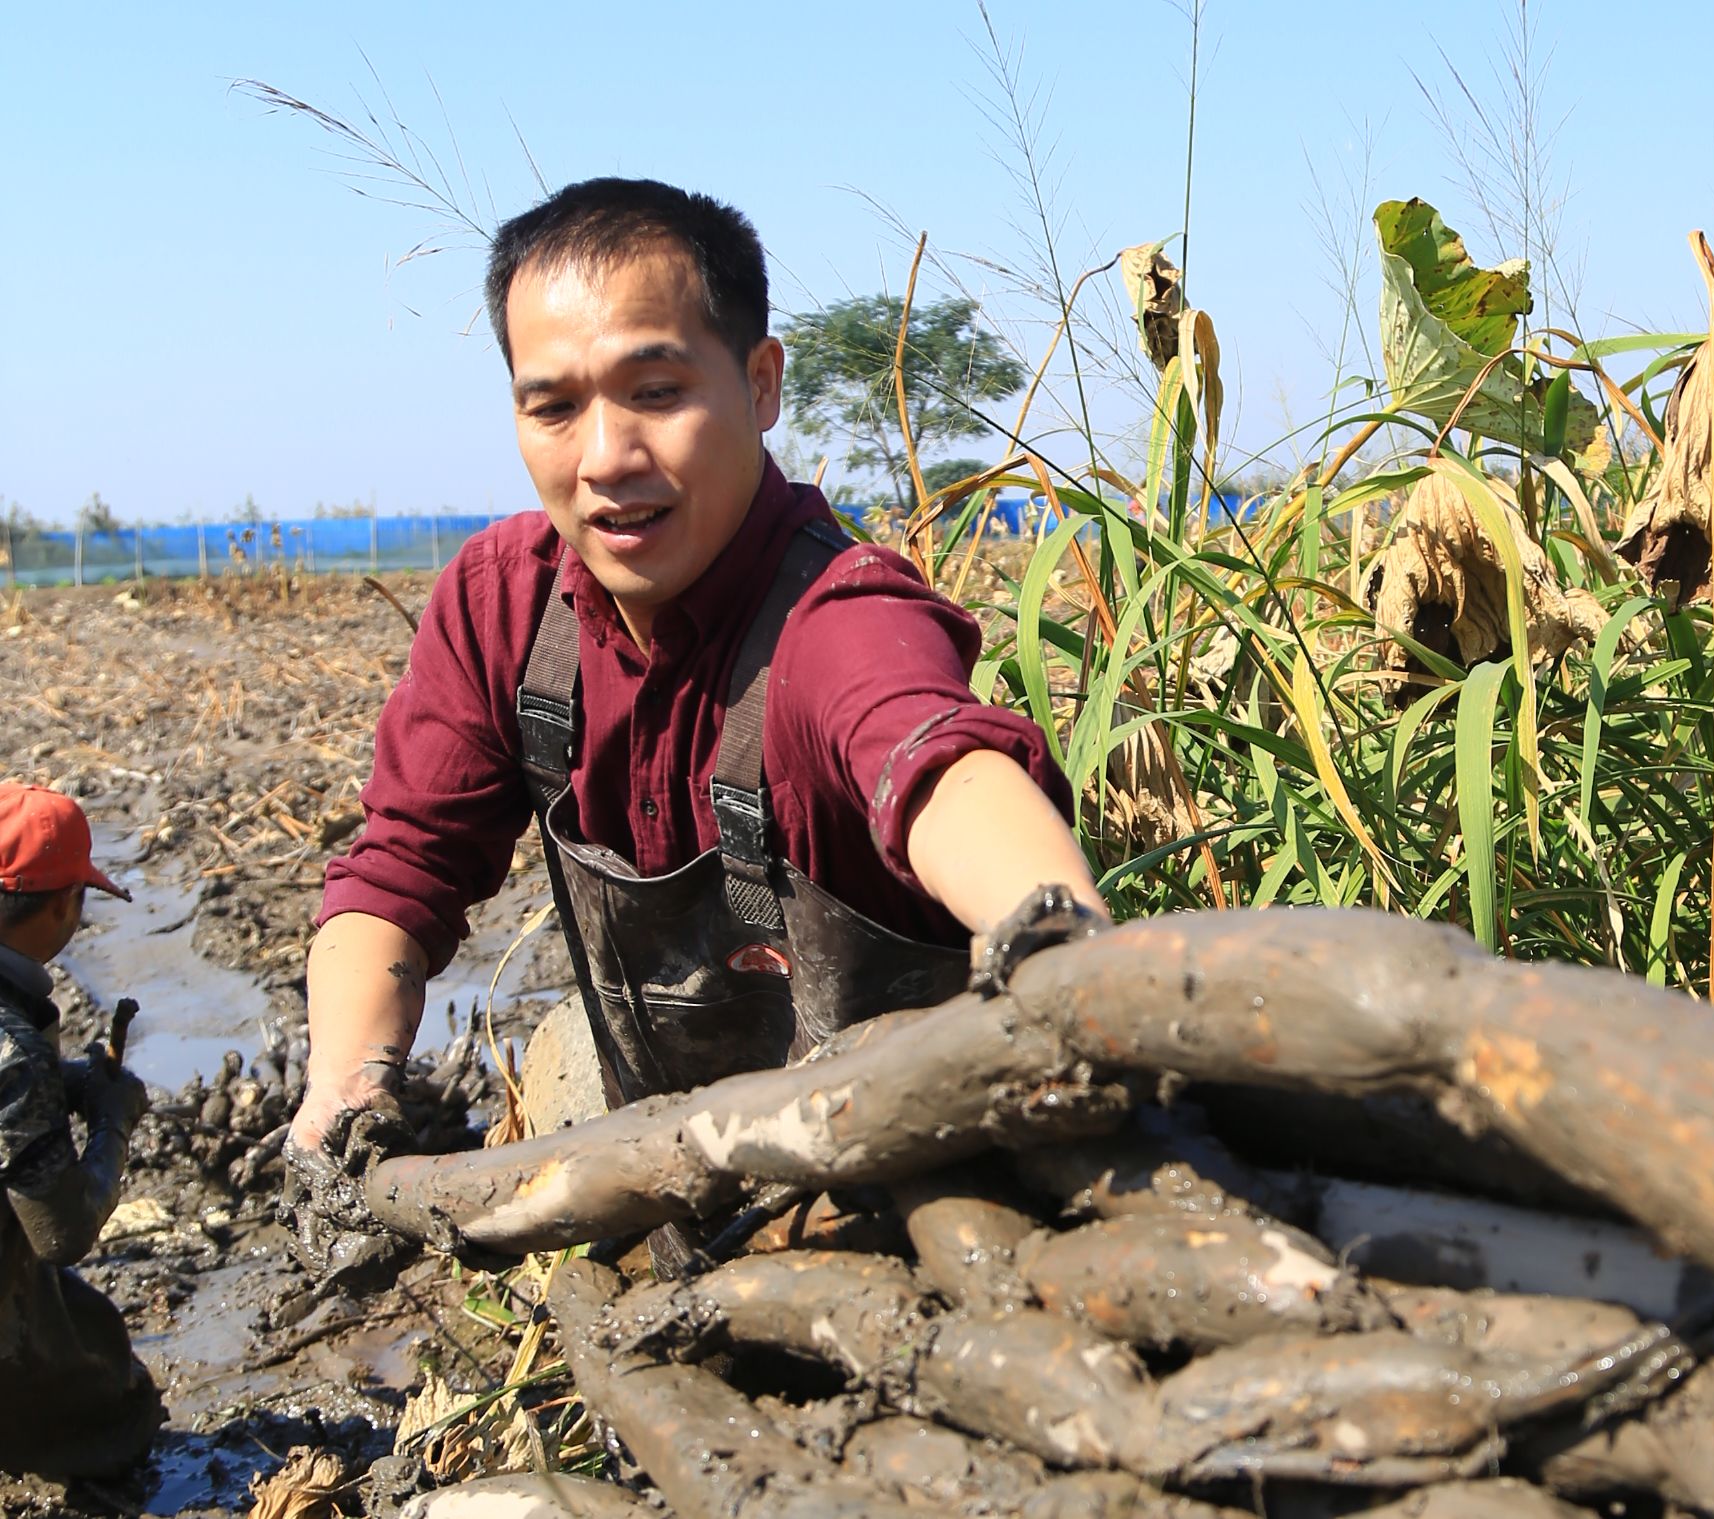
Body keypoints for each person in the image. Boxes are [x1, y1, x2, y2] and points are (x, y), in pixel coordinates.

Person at [286, 178, 1107, 1277]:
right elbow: (398, 874)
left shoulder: (836, 618)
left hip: (907, 1202)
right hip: (663, 1182)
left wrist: (1056, 946)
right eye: (554, 406)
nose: (606, 457)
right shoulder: (500, 605)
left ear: (760, 384)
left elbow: (938, 763)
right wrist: (347, 1091)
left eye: (657, 390)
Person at [0, 782, 160, 1478]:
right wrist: (111, 1122)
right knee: (115, 1407)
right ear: (64, 902)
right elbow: (61, 1233)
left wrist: (61, 1082)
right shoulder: (14, 1051)